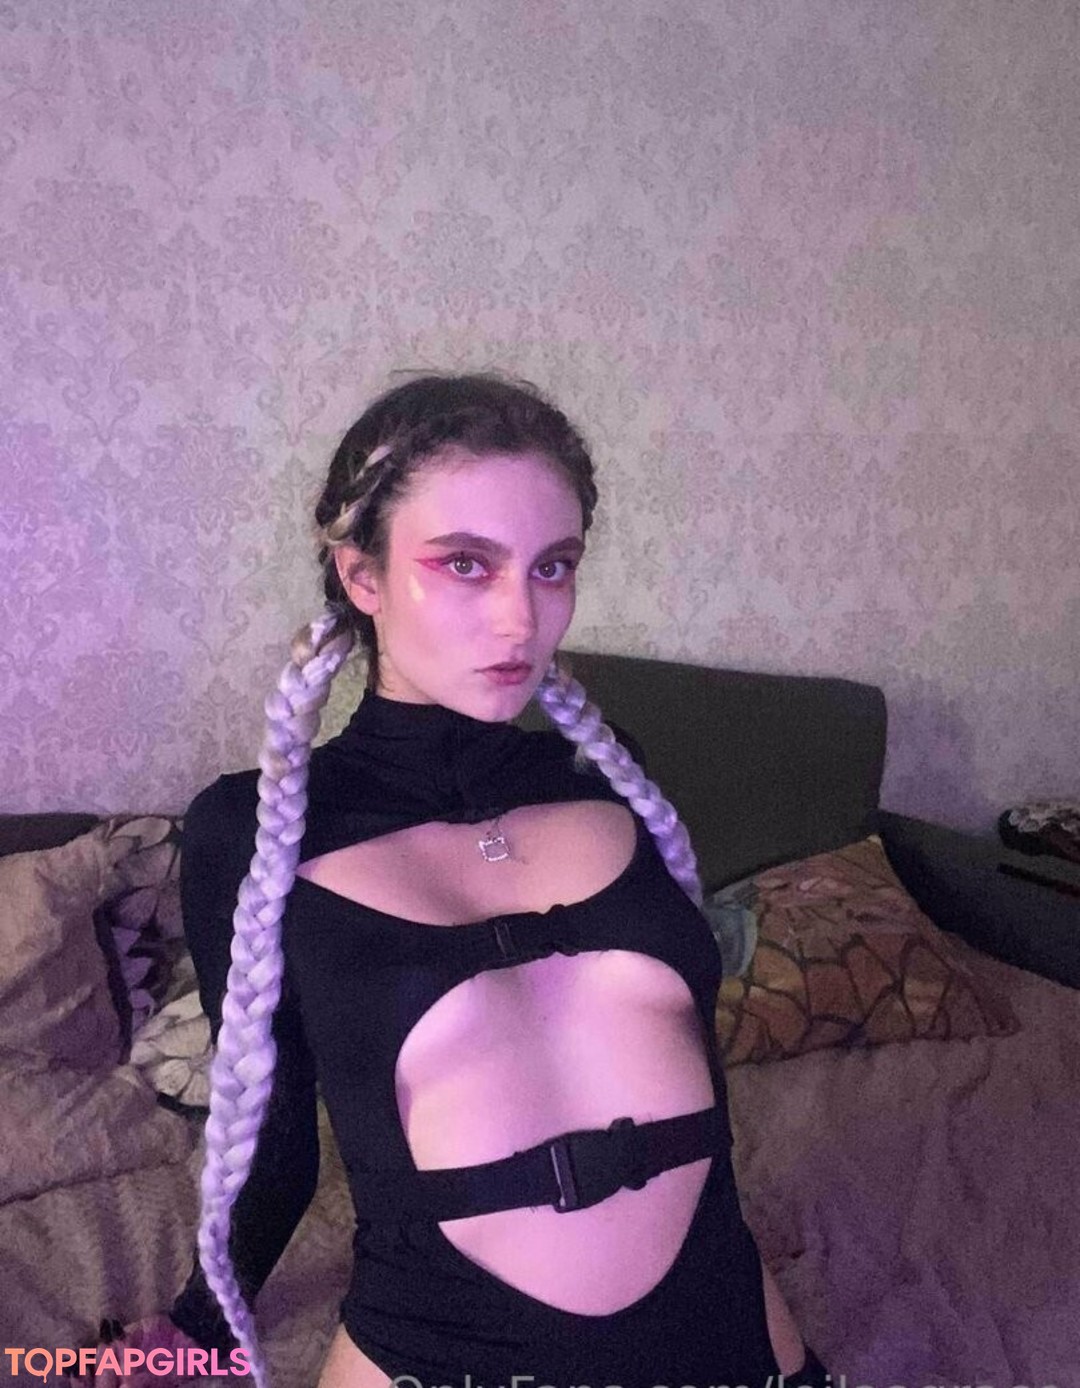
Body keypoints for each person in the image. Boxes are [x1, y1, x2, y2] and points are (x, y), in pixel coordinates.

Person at [80, 372, 833, 1388]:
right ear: (362, 575)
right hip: (444, 1354)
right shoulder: (255, 832)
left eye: (553, 566)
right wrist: (201, 1321)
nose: (522, 619)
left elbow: (691, 1077)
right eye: (466, 564)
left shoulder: (611, 775)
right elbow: (275, 1139)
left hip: (728, 1340)